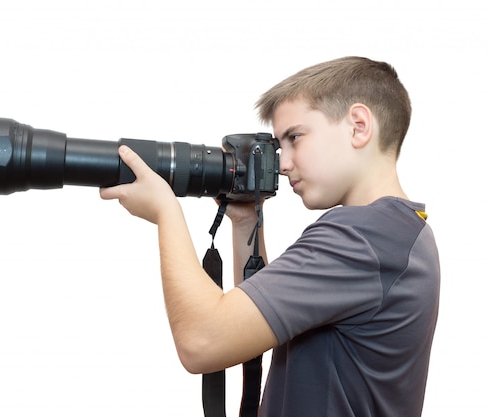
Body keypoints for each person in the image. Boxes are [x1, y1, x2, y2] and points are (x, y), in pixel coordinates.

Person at [99, 56, 440, 417]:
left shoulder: (359, 236)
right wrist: (246, 221)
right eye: (279, 145)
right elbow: (260, 320)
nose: (282, 162)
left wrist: (166, 212)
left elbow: (202, 341)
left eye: (295, 137)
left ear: (358, 126)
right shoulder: (401, 232)